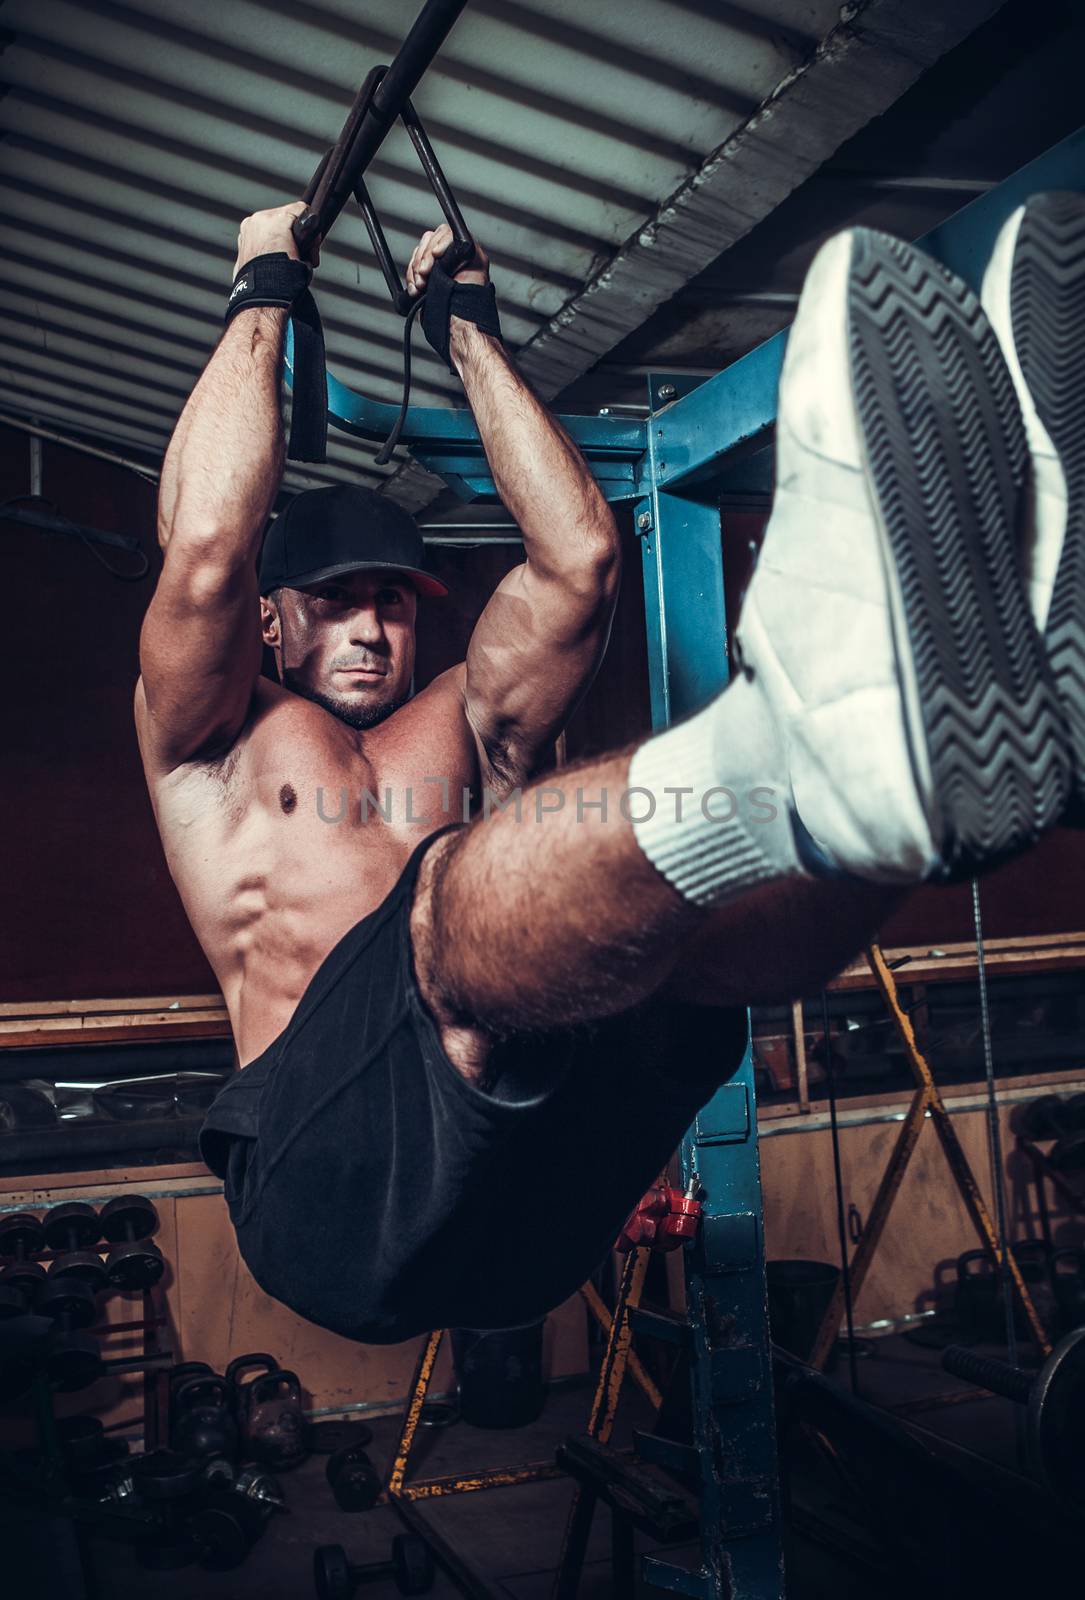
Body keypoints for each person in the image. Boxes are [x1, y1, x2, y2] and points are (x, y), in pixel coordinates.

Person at [135, 194, 1083, 1343]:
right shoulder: (215, 744)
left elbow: (578, 559)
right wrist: (262, 295)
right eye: (337, 602)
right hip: (329, 1201)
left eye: (391, 598)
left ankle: (896, 804)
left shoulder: (462, 715)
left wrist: (468, 333)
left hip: (538, 1201)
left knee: (668, 961)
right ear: (275, 624)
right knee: (442, 905)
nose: (374, 626)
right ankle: (794, 739)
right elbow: (201, 555)